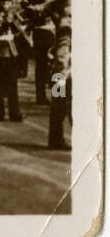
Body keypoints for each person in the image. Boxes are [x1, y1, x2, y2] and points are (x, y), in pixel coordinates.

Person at [46, 20, 71, 150]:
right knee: (60, 107)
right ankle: (55, 140)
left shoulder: (65, 30)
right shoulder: (66, 32)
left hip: (60, 76)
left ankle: (54, 139)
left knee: (58, 107)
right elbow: (62, 58)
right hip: (61, 77)